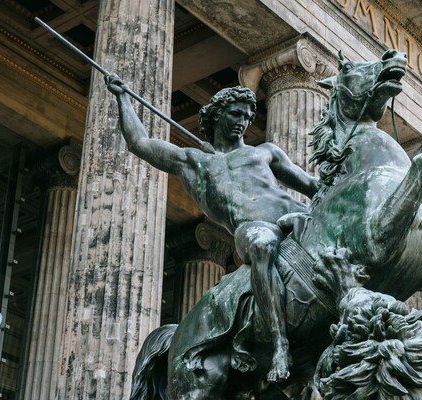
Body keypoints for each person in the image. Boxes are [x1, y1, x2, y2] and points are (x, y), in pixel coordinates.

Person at [107, 77, 318, 383]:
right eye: (235, 114)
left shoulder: (264, 152)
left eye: (247, 117)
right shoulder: (195, 162)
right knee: (261, 244)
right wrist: (123, 98)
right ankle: (279, 343)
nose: (242, 122)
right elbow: (139, 143)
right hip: (254, 228)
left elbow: (310, 184)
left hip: (295, 216)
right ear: (218, 115)